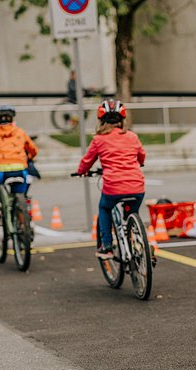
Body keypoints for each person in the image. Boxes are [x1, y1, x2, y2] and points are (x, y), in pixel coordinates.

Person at [76, 99, 146, 259]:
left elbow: (87, 161)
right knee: (131, 213)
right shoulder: (132, 136)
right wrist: (140, 163)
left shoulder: (99, 140)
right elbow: (141, 155)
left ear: (101, 120)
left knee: (104, 208)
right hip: (137, 186)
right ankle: (138, 243)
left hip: (114, 188)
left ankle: (107, 246)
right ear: (122, 120)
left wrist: (81, 171)